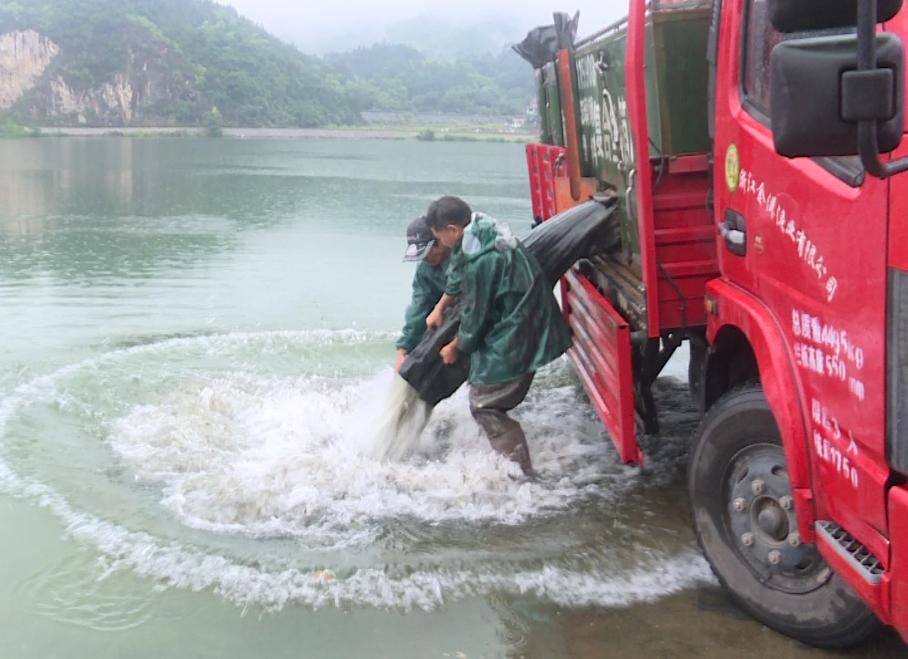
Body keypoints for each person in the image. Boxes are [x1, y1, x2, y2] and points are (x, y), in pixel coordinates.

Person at [424, 195, 571, 475]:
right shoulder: (479, 231)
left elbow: (476, 314)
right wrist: (440, 306)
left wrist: (456, 346)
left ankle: (521, 475)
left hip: (523, 326)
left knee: (485, 405)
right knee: (481, 386)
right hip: (519, 318)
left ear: (453, 230)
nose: (440, 244)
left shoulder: (483, 260)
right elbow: (458, 270)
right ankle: (506, 457)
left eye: (439, 237)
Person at [395, 216, 451, 373]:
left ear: (440, 241)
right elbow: (419, 305)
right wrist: (403, 349)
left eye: (427, 252)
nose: (425, 258)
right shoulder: (425, 269)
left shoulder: (462, 259)